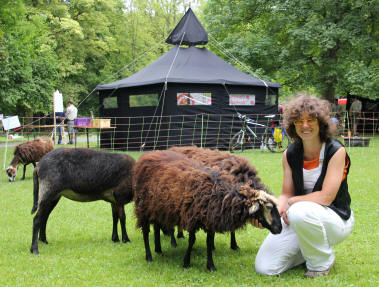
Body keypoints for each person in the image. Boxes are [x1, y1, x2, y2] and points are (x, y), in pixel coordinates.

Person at [254, 94, 354, 278]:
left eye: (310, 120)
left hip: (335, 219)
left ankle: (321, 262)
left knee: (299, 211)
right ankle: (311, 249)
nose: (305, 125)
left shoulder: (336, 151)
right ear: (293, 125)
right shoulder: (290, 153)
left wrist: (292, 202)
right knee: (265, 267)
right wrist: (272, 213)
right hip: (300, 217)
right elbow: (286, 194)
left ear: (321, 122)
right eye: (299, 121)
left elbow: (326, 197)